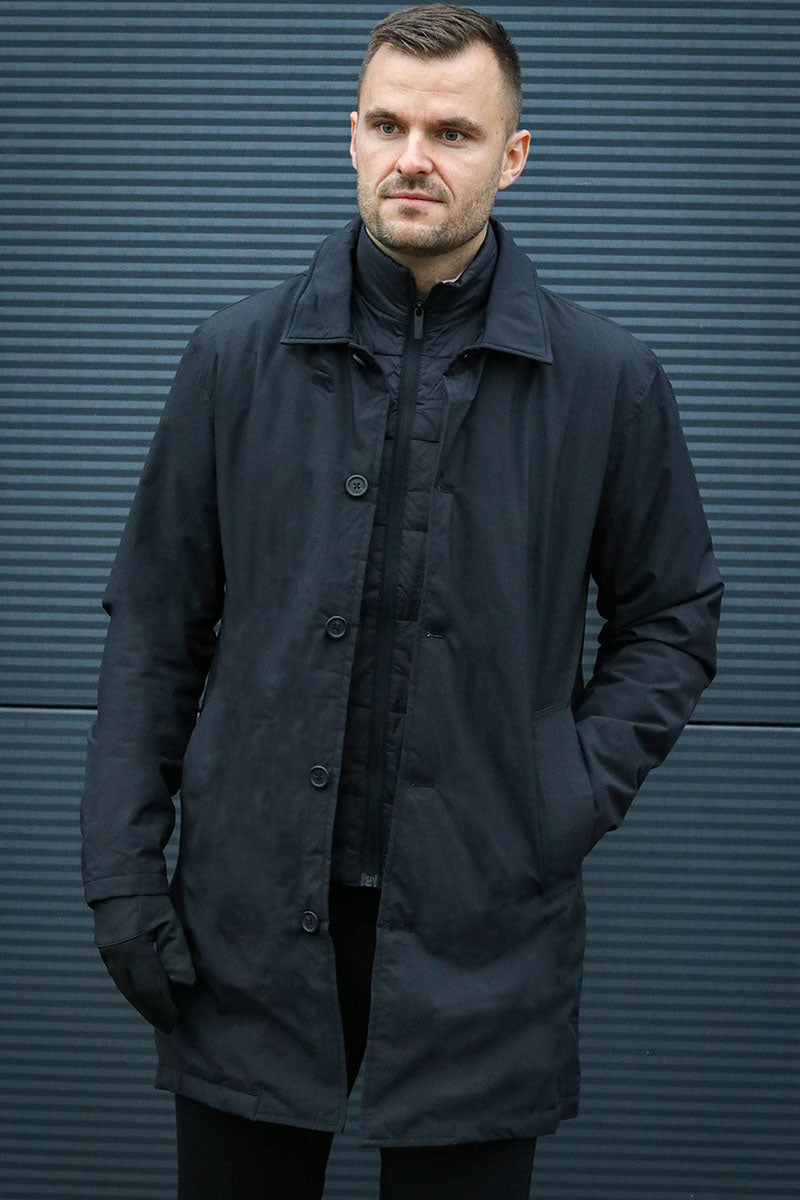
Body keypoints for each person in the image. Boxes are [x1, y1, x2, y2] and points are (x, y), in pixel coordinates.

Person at [80, 5, 723, 1198]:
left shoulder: (606, 381)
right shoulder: (235, 358)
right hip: (246, 928)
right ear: (351, 136)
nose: (411, 157)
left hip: (485, 930)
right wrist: (123, 874)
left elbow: (671, 617)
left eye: (451, 132)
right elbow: (155, 626)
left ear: (511, 156)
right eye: (386, 124)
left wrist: (561, 790)